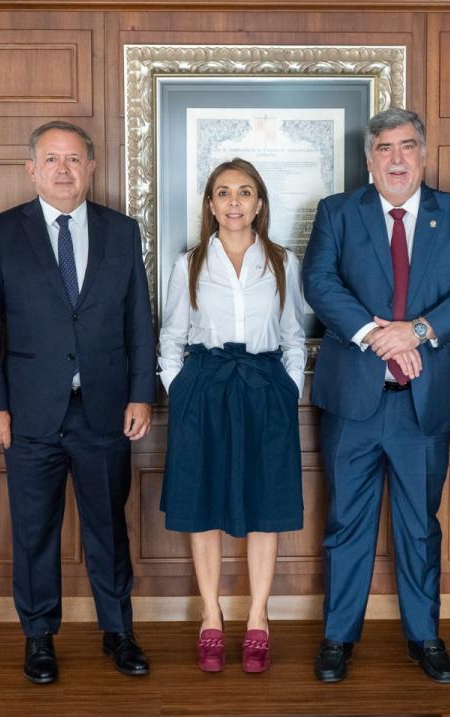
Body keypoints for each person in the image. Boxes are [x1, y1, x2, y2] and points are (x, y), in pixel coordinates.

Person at [302, 107, 450, 684]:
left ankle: (425, 636)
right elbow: (320, 282)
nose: (396, 158)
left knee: (419, 526)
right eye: (384, 148)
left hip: (424, 404)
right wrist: (376, 335)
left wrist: (414, 331)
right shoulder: (338, 213)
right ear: (369, 159)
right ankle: (338, 639)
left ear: (424, 154)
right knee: (346, 525)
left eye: (407, 146)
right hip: (353, 403)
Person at [0, 120, 156, 684]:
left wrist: (141, 394)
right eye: (52, 159)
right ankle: (39, 637)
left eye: (74, 159)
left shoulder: (122, 231)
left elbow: (139, 321)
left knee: (108, 529)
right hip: (27, 414)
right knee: (33, 532)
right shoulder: (0, 232)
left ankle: (118, 631)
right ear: (32, 169)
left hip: (104, 409)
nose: (64, 169)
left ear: (91, 167)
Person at [159, 158, 306, 674]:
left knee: (265, 500)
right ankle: (211, 616)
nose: (235, 201)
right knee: (203, 501)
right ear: (211, 204)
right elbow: (172, 337)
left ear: (260, 203)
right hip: (206, 386)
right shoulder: (190, 264)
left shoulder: (284, 262)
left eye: (245, 192)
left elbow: (293, 337)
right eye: (224, 193)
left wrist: (288, 388)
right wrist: (179, 388)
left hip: (266, 388)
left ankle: (259, 618)